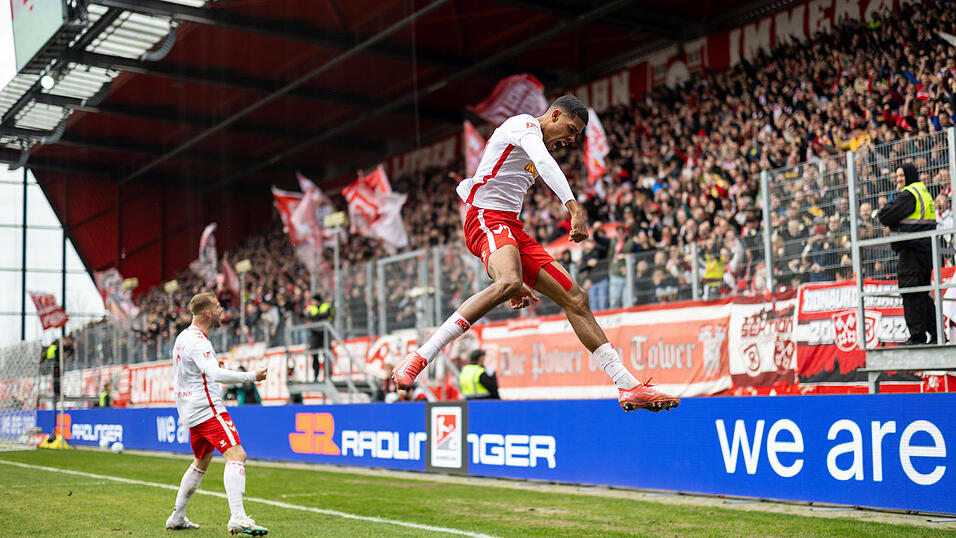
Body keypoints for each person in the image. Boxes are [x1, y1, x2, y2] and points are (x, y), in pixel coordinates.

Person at [393, 95, 679, 412]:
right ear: (554, 115)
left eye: (576, 136)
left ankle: (627, 385)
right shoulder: (523, 125)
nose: (571, 140)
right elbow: (544, 163)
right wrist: (574, 209)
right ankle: (420, 356)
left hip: (513, 228)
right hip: (486, 218)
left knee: (576, 297)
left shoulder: (532, 145)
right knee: (507, 283)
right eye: (570, 130)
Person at [165, 292, 269, 535]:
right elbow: (214, 375)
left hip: (189, 411)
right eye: (219, 307)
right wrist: (252, 376)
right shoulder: (198, 341)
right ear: (208, 313)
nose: (223, 310)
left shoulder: (184, 337)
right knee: (237, 455)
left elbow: (196, 370)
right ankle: (238, 517)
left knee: (200, 462)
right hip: (207, 409)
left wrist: (213, 367)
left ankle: (177, 516)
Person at [878, 163, 938, 345]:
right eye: (897, 176)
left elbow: (884, 216)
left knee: (911, 293)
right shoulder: (923, 192)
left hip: (912, 251)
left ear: (910, 176)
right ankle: (936, 334)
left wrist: (892, 223)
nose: (898, 180)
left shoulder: (909, 194)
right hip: (925, 250)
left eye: (901, 176)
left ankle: (917, 336)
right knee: (921, 293)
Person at [305, 293, 334, 381]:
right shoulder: (311, 307)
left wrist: (316, 316)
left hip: (324, 333)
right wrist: (318, 316)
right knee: (315, 354)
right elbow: (309, 316)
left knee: (326, 354)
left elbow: (326, 314)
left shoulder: (326, 306)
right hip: (315, 334)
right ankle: (316, 375)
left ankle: (327, 376)